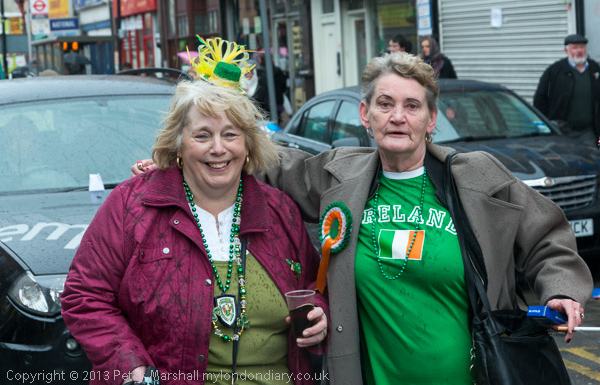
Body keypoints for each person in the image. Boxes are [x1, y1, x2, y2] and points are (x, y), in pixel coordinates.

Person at [132, 52, 593, 384]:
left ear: (432, 119)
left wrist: (561, 291)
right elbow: (265, 160)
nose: (398, 117)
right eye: (385, 104)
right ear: (365, 114)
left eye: (412, 106)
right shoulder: (340, 175)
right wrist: (180, 161)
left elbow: (546, 236)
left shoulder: (476, 177)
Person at [62, 37, 328, 385]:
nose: (218, 148)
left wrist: (319, 314)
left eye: (230, 134)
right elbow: (85, 296)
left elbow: (313, 285)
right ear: (178, 144)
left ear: (248, 144)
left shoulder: (279, 210)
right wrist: (132, 368)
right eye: (202, 136)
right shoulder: (131, 206)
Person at [533, 34, 600, 145]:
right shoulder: (554, 71)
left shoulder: (595, 68)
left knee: (591, 155)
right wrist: (548, 124)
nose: (579, 51)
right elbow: (540, 99)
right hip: (562, 133)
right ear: (566, 51)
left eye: (582, 47)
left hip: (588, 132)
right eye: (575, 48)